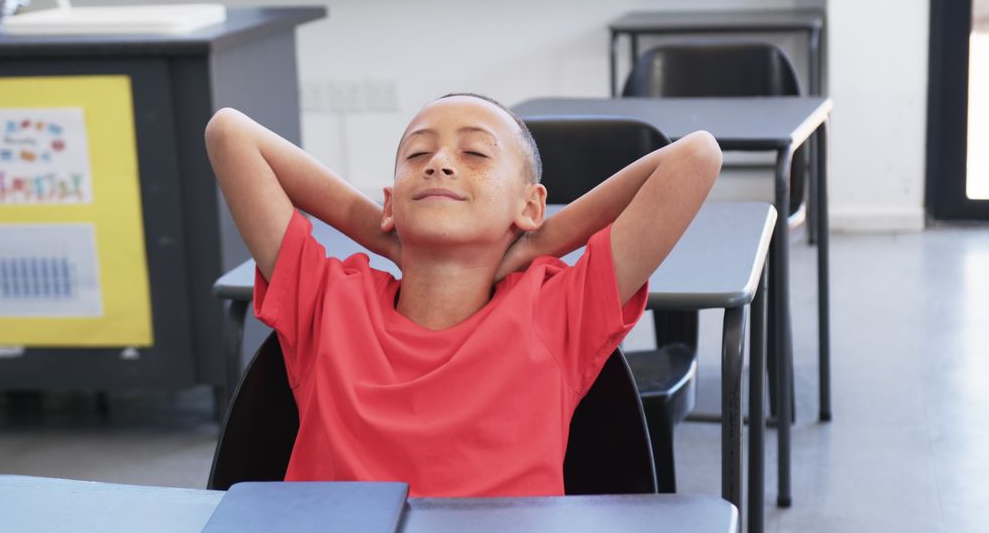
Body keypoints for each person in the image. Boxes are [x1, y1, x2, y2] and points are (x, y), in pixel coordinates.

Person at [205, 93, 721, 497]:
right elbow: (230, 133)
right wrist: (384, 234)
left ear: (531, 204)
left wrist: (537, 242)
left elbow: (696, 156)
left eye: (475, 153)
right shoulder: (327, 301)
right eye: (417, 154)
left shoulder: (555, 311)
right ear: (389, 201)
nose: (439, 164)